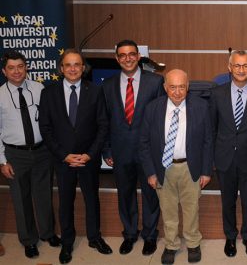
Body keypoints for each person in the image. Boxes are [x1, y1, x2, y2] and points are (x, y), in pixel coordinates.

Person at [38, 49, 112, 264]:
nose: (72, 69)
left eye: (77, 64)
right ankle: (67, 242)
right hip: (63, 160)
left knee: (92, 199)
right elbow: (45, 128)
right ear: (61, 68)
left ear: (83, 68)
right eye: (68, 65)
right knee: (65, 202)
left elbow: (103, 126)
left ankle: (94, 237)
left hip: (88, 159)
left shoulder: (95, 91)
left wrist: (90, 154)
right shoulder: (48, 93)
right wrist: (64, 155)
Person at [139, 69, 213, 265]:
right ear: (165, 87)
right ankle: (171, 245)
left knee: (191, 209)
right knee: (168, 210)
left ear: (188, 87)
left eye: (182, 87)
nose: (177, 92)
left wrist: (206, 171)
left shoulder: (201, 106)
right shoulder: (152, 108)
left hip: (191, 167)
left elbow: (208, 141)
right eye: (173, 87)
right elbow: (144, 142)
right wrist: (150, 172)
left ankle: (193, 243)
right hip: (163, 168)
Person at [101, 40, 164, 255]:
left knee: (150, 195)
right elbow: (104, 121)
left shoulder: (155, 82)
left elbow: (160, 119)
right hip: (120, 151)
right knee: (125, 194)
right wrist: (107, 149)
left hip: (149, 152)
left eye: (131, 54)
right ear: (117, 58)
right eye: (122, 55)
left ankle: (150, 235)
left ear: (138, 56)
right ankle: (129, 234)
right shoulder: (108, 85)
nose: (127, 58)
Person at [0, 51, 60, 258]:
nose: (16, 71)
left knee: (44, 195)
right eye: (11, 68)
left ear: (26, 67)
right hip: (15, 155)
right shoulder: (0, 95)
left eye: (20, 66)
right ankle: (28, 240)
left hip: (42, 152)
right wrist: (2, 161)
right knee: (21, 198)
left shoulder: (39, 88)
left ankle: (48, 233)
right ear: (4, 71)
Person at [210, 50, 247, 258]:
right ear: (230, 68)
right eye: (237, 65)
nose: (241, 70)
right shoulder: (217, 93)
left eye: (245, 66)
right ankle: (230, 236)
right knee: (227, 201)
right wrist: (211, 159)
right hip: (224, 158)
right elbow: (211, 130)